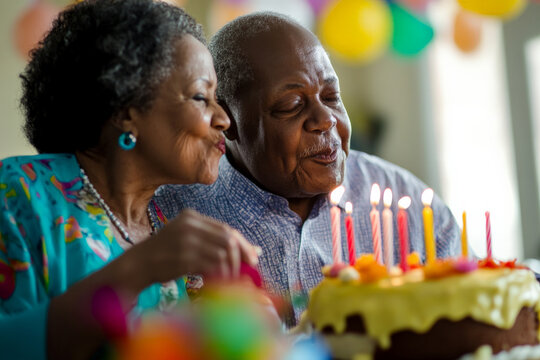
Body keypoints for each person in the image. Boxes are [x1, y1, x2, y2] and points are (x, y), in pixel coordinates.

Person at [153, 12, 461, 327]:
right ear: (227, 119)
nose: (325, 119)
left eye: (331, 97)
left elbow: (478, 317)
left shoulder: (404, 200)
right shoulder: (169, 218)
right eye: (292, 106)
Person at [0, 1, 259, 359]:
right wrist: (139, 268)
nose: (223, 119)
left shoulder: (162, 227)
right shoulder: (16, 193)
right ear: (125, 110)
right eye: (201, 97)